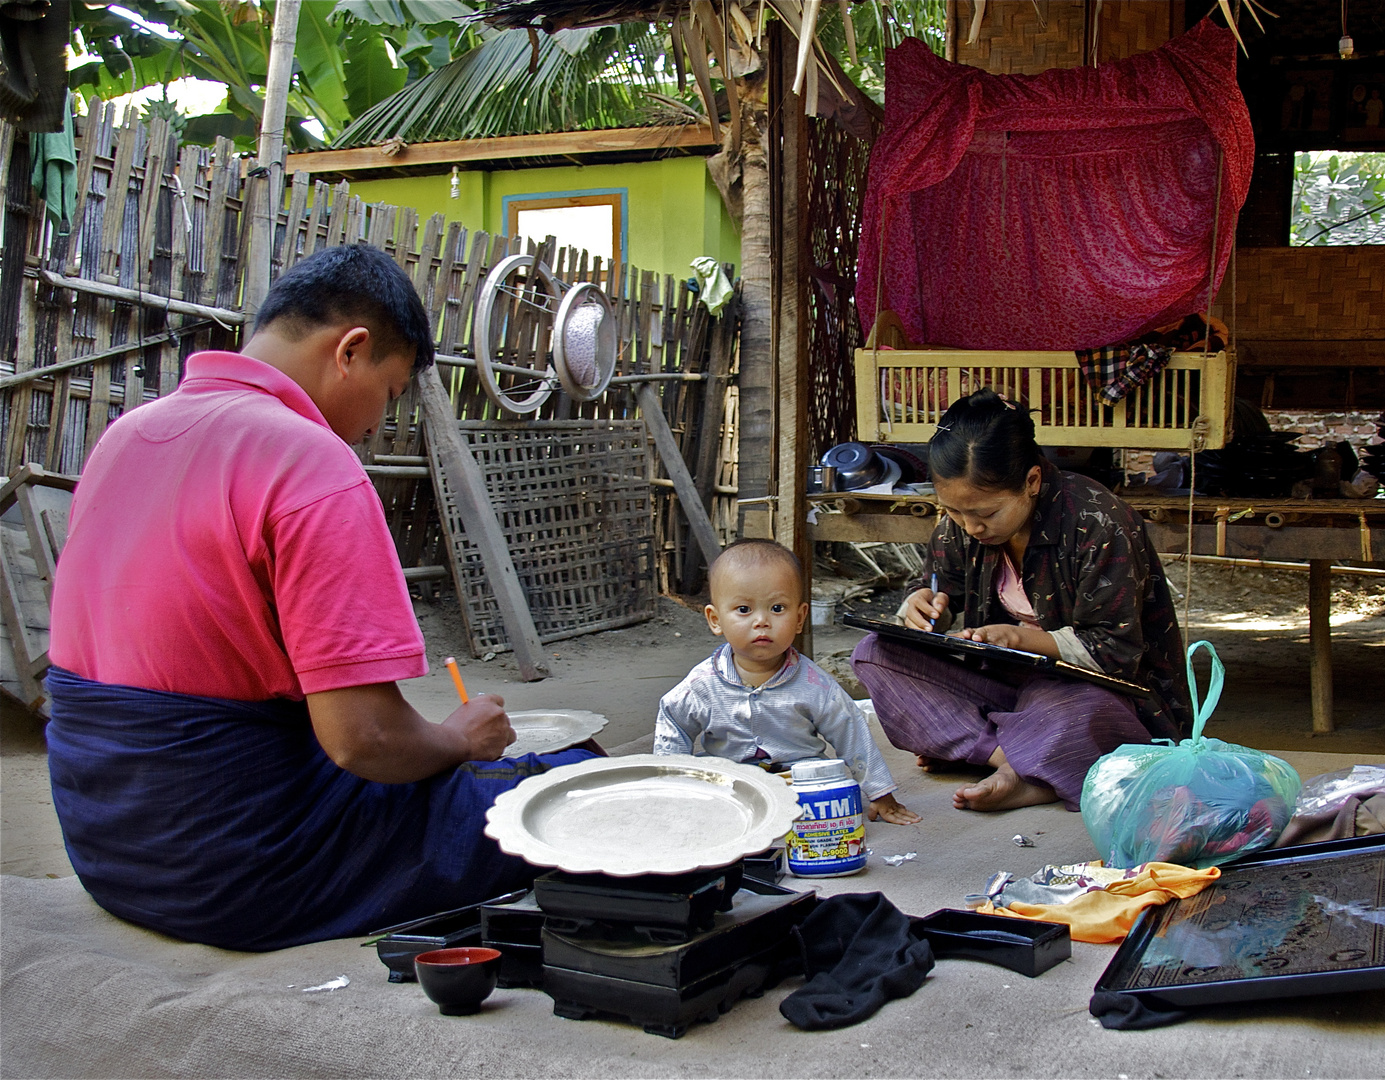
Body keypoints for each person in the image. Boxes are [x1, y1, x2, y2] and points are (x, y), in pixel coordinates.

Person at [43, 245, 596, 951]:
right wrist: (458, 738)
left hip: (108, 854)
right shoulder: (310, 462)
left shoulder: (123, 437)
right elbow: (362, 740)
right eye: (391, 393)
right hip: (237, 874)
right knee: (574, 779)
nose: (375, 426)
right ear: (352, 351)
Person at [851, 389, 1188, 812]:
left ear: (1031, 481)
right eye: (954, 512)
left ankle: (1002, 754)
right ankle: (1010, 756)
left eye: (987, 514)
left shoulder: (1097, 523)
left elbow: (1115, 653)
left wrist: (1020, 638)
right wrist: (920, 606)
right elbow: (941, 589)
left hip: (1093, 692)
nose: (970, 527)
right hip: (1007, 684)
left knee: (1078, 714)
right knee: (874, 654)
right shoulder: (960, 525)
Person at [655, 540, 919, 825]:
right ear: (715, 619)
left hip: (798, 779)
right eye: (744, 610)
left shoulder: (814, 684)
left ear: (800, 618)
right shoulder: (703, 683)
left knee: (833, 782)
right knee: (704, 780)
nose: (762, 621)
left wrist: (880, 792)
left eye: (777, 608)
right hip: (732, 779)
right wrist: (673, 784)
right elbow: (673, 722)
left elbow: (851, 732)